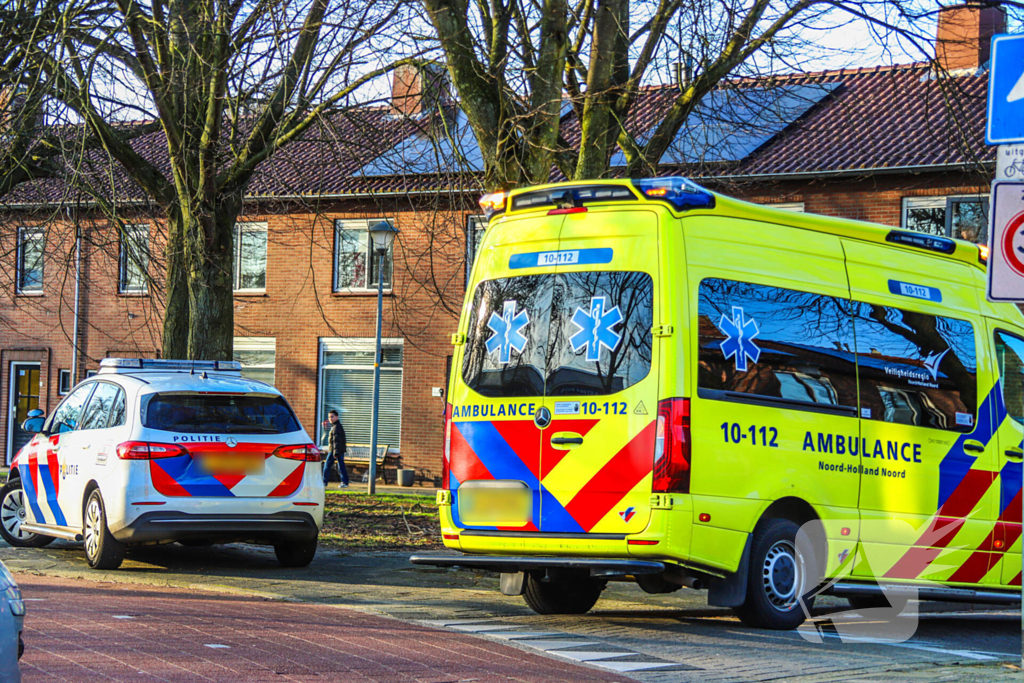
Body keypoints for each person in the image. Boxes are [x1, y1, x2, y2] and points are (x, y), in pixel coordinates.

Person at [322, 410, 349, 488]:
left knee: (327, 465)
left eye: (332, 417)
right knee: (341, 466)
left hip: (335, 450)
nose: (331, 419)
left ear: (337, 417)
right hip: (336, 450)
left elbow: (337, 441)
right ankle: (345, 482)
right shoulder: (335, 426)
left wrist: (336, 453)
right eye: (329, 417)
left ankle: (324, 481)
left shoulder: (336, 427)